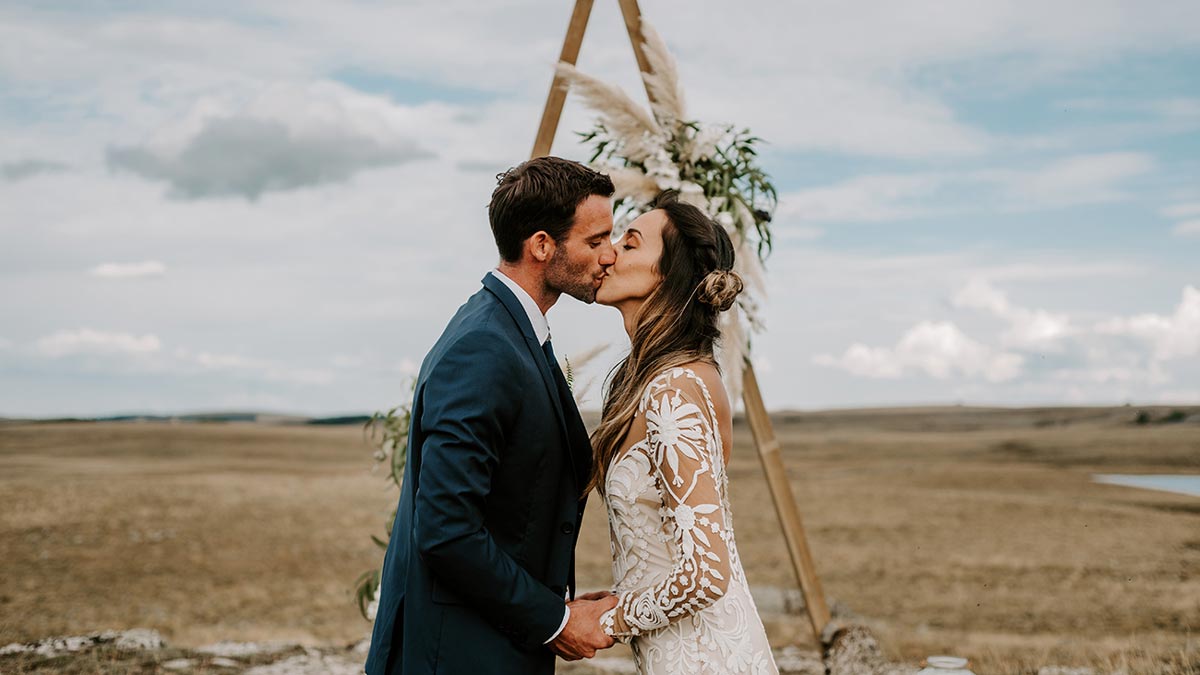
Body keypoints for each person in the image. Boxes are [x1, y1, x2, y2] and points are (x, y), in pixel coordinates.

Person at [364, 156, 620, 675]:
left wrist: (556, 596)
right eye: (595, 241)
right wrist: (554, 620)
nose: (610, 256)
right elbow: (446, 529)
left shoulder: (514, 331)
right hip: (456, 655)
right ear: (542, 245)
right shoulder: (483, 346)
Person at [584, 190, 779, 674]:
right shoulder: (650, 380)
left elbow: (707, 574)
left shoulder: (674, 389)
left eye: (630, 245)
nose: (608, 254)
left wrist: (609, 621)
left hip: (705, 658)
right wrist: (622, 596)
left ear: (667, 275)